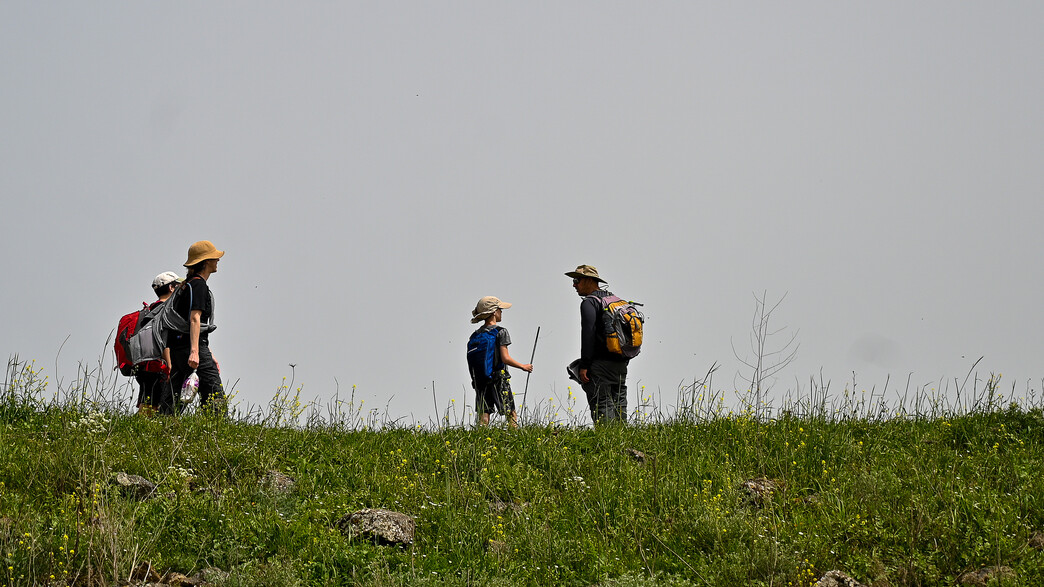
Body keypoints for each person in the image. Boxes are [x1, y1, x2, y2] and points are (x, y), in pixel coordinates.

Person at [565, 264, 629, 424]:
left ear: (588, 280)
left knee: (602, 405)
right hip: (620, 362)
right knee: (619, 403)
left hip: (600, 364)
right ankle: (624, 440)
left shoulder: (589, 303)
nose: (574, 285)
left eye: (576, 280)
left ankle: (608, 444)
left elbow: (588, 334)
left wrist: (584, 365)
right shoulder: (614, 300)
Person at [167, 240, 225, 415]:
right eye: (215, 258)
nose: (218, 261)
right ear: (206, 262)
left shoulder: (186, 285)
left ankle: (162, 424)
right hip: (190, 347)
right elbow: (194, 319)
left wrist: (207, 351)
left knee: (174, 394)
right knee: (214, 392)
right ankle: (216, 429)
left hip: (177, 347)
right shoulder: (199, 285)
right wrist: (195, 351)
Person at [468, 296, 533, 428]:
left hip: (481, 380)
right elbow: (505, 358)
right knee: (511, 414)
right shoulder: (501, 332)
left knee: (483, 416)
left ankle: (480, 441)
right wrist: (523, 366)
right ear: (493, 312)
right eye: (500, 309)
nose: (501, 312)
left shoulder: (475, 335)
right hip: (498, 378)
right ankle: (515, 440)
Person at [135, 271, 182, 416]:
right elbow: (163, 338)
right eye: (177, 285)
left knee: (146, 401)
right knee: (154, 406)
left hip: (145, 364)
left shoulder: (150, 310)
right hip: (158, 365)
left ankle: (138, 430)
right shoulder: (165, 310)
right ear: (171, 288)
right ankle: (144, 432)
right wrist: (169, 364)